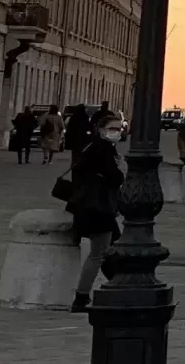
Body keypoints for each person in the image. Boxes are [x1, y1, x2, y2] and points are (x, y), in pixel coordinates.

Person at [67, 114, 125, 312]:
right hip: (96, 208)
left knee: (112, 248)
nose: (117, 132)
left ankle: (119, 287)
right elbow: (115, 177)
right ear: (101, 130)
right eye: (113, 128)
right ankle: (81, 298)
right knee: (99, 253)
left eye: (119, 129)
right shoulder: (102, 149)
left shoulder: (92, 146)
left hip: (92, 206)